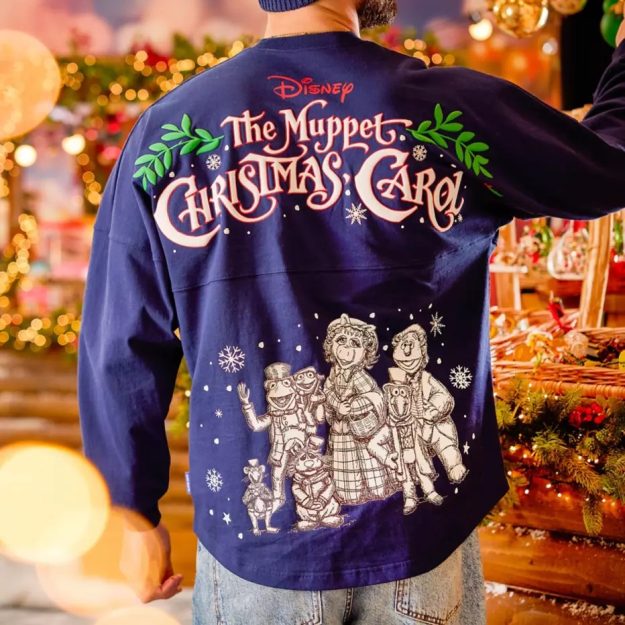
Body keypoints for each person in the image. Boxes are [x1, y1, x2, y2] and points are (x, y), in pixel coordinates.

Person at [77, 0, 625, 623]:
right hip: (418, 541)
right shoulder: (447, 109)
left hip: (260, 556)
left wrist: (130, 511)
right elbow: (606, 166)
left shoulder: (170, 131)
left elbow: (120, 340)